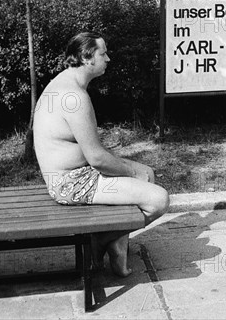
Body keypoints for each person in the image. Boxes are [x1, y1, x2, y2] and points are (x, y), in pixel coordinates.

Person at [34, 31, 169, 277]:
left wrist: (135, 170)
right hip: (71, 183)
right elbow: (97, 158)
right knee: (158, 199)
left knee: (144, 174)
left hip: (76, 174)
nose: (108, 59)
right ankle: (102, 242)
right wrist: (133, 171)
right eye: (103, 53)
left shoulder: (66, 83)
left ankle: (116, 244)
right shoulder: (74, 97)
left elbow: (93, 155)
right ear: (87, 58)